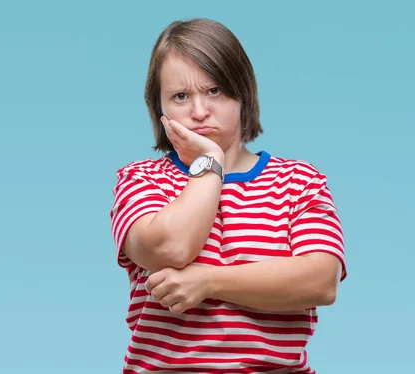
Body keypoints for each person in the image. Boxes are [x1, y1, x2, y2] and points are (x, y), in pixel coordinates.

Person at [109, 18, 347, 374]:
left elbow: (321, 281)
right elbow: (171, 248)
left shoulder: (299, 181)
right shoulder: (140, 180)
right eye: (180, 96)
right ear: (160, 110)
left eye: (215, 90)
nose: (200, 111)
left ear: (242, 93)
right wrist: (209, 162)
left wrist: (208, 281)